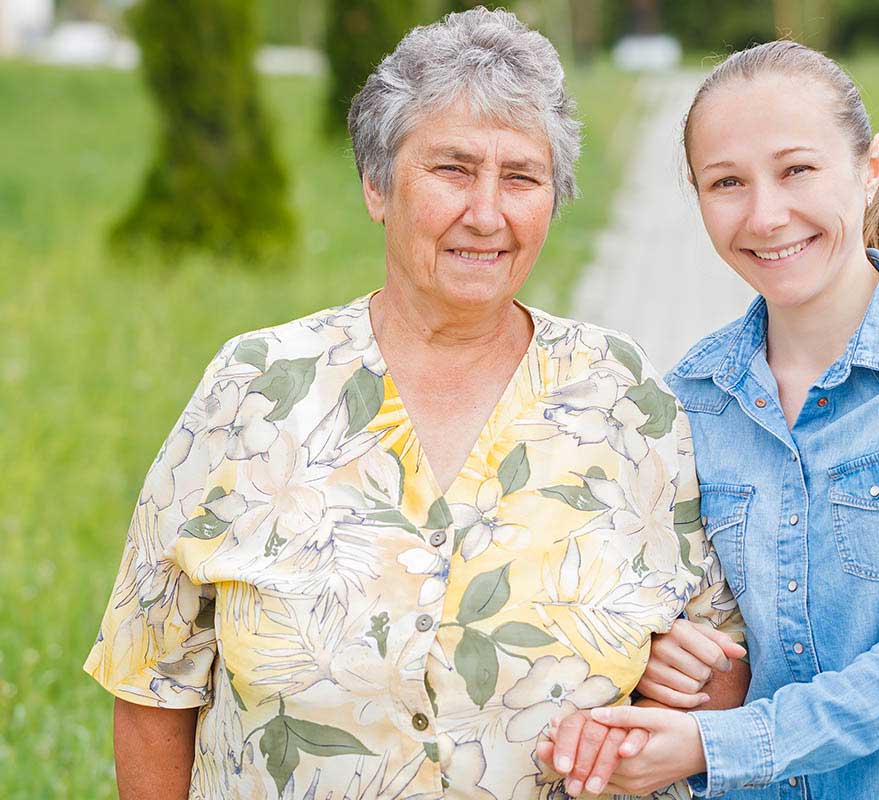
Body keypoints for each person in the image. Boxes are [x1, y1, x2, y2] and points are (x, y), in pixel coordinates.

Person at [82, 9, 746, 799]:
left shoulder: (626, 393)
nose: (488, 214)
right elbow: (152, 682)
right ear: (376, 185)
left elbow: (718, 673)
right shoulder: (254, 387)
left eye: (522, 178)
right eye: (453, 170)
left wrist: (674, 691)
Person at [541, 40, 879, 799]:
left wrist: (719, 744)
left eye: (797, 171)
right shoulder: (686, 401)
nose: (765, 214)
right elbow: (684, 627)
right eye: (727, 182)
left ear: (869, 169)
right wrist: (654, 659)